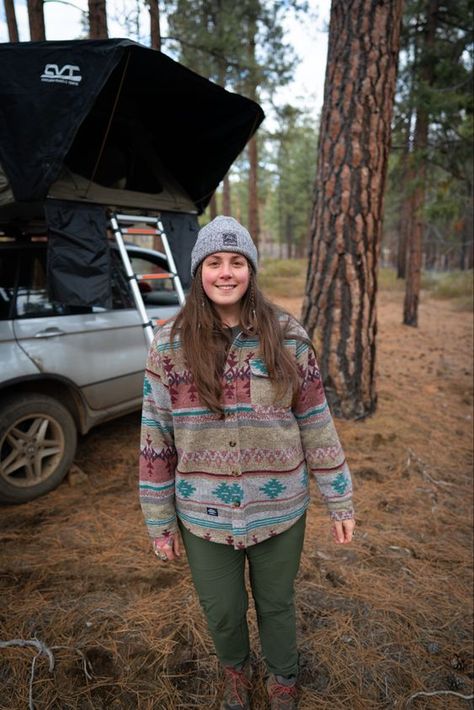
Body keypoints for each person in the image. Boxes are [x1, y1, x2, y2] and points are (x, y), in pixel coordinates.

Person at [139, 216, 355, 710]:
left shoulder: (288, 337)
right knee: (223, 611)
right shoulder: (169, 345)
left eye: (237, 262)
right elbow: (155, 437)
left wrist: (338, 498)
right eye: (214, 262)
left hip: (279, 509)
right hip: (202, 513)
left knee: (277, 604)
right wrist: (158, 520)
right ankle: (235, 671)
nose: (226, 272)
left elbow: (316, 420)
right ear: (199, 271)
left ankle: (283, 677)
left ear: (251, 270)